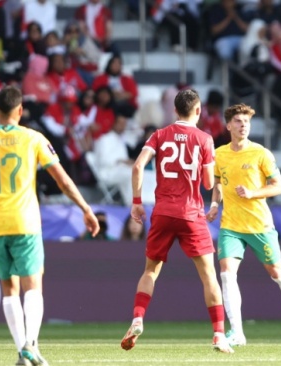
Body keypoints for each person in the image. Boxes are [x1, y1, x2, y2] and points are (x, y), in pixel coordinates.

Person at [0, 86, 100, 366]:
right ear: (20, 110)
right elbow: (62, 180)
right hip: (25, 220)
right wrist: (86, 209)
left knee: (9, 289)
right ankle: (31, 344)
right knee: (33, 286)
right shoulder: (33, 138)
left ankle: (23, 353)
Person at [120, 89, 234, 354]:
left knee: (150, 271)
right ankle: (218, 334)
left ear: (174, 111)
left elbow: (138, 167)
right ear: (197, 111)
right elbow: (207, 183)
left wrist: (137, 201)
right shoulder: (205, 139)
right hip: (191, 213)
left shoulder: (159, 135)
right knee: (208, 276)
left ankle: (138, 319)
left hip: (162, 211)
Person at [206, 103, 281, 345]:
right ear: (229, 125)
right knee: (226, 274)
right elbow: (219, 181)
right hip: (230, 225)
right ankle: (238, 332)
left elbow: (278, 186)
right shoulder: (219, 153)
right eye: (239, 122)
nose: (244, 126)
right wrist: (214, 204)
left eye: (247, 122)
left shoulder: (261, 153)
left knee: (277, 273)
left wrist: (253, 193)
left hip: (259, 225)